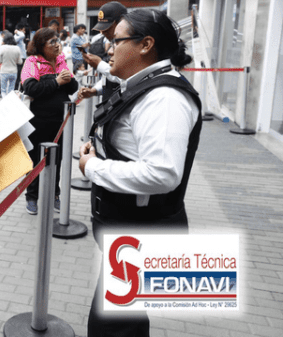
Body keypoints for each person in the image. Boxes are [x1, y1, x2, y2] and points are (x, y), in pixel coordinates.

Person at [78, 9, 201, 337]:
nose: (108, 49)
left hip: (143, 234)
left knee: (114, 328)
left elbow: (162, 173)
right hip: (133, 233)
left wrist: (93, 167)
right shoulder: (145, 85)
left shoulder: (164, 98)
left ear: (146, 45)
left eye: (116, 41)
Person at [20, 27, 78, 215]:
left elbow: (72, 89)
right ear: (40, 45)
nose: (57, 44)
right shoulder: (32, 62)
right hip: (37, 122)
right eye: (52, 42)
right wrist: (56, 82)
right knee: (35, 160)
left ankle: (54, 195)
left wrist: (67, 80)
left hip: (60, 123)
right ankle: (32, 197)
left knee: (57, 159)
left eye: (57, 40)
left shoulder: (61, 61)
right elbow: (31, 89)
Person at [81, 1, 127, 103]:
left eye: (107, 28)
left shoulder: (130, 47)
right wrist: (94, 90)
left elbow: (126, 79)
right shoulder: (111, 43)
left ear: (121, 22)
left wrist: (100, 65)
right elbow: (109, 79)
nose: (103, 32)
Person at [0, 32, 22, 97]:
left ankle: (5, 103)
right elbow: (20, 62)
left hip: (4, 71)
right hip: (13, 71)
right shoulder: (17, 48)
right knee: (11, 90)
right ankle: (10, 103)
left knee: (3, 90)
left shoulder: (2, 48)